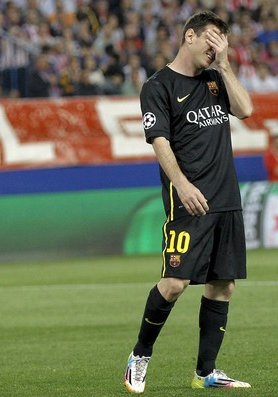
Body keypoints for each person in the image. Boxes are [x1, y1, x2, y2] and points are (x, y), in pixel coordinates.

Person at [124, 11, 253, 394]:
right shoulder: (158, 86)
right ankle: (139, 356)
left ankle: (206, 373)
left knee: (222, 286)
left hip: (226, 198)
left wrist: (226, 65)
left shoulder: (217, 79)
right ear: (190, 36)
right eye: (212, 40)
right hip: (189, 201)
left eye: (222, 42)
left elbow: (246, 110)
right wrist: (181, 185)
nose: (216, 48)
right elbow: (159, 142)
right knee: (175, 282)